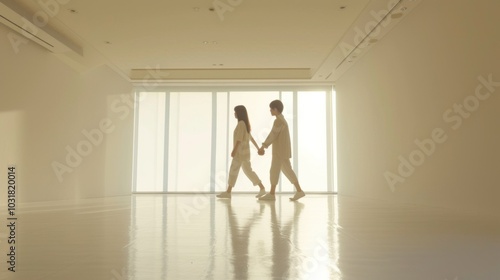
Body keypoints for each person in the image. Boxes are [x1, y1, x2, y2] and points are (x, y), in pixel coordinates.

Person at [258, 100, 305, 201]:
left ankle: (271, 194)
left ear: (276, 109)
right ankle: (299, 191)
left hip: (279, 151)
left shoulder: (278, 121)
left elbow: (273, 135)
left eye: (271, 109)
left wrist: (263, 146)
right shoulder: (282, 120)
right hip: (283, 151)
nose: (270, 110)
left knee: (274, 170)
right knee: (288, 170)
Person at [216, 105, 266, 199]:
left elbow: (239, 139)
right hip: (245, 154)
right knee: (248, 172)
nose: (234, 113)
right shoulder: (245, 124)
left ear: (239, 113)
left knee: (233, 171)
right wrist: (258, 148)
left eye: (235, 112)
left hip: (240, 153)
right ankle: (262, 188)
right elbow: (251, 138)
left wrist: (234, 150)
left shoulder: (241, 124)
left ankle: (228, 192)